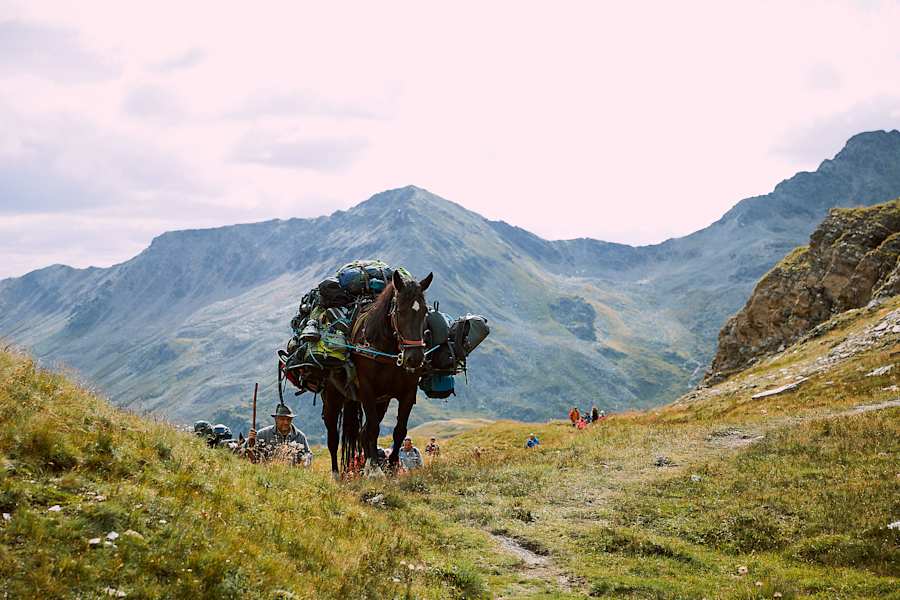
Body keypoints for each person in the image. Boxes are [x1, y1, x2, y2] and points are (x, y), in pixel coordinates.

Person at [248, 403, 313, 466]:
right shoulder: (262, 434)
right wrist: (250, 443)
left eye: (288, 419)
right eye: (282, 419)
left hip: (293, 471)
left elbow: (308, 454)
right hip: (267, 471)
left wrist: (305, 462)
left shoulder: (300, 436)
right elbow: (249, 454)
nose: (286, 422)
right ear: (276, 419)